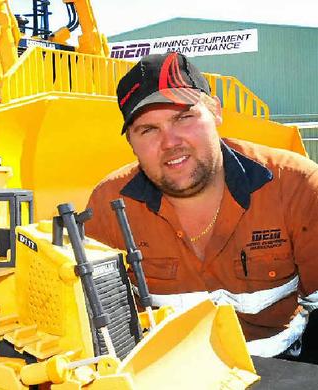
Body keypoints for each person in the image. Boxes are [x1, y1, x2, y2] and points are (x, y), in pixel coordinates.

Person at [86, 52, 318, 360]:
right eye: (148, 129)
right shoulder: (108, 206)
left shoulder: (296, 185)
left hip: (281, 363)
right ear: (131, 141)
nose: (170, 142)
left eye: (183, 117)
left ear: (216, 112)